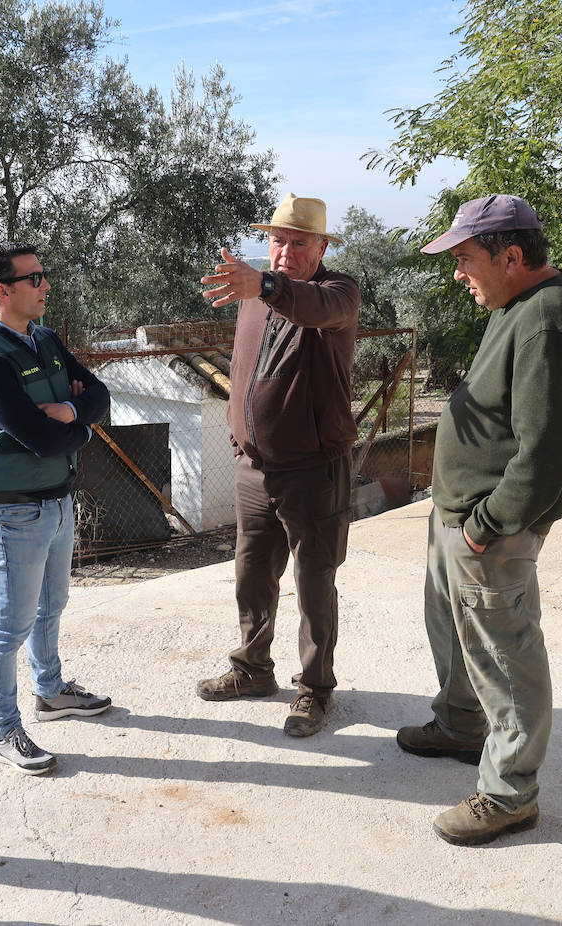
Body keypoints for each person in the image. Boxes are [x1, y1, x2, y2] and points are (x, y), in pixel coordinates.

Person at [399, 194, 562, 846]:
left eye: (466, 259)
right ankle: (464, 725)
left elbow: (543, 455)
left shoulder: (548, 319)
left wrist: (486, 524)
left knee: (505, 652)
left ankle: (510, 793)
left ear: (511, 256)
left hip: (490, 527)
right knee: (458, 628)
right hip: (462, 515)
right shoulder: (518, 304)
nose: (458, 273)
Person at [197, 193, 360, 738]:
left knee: (314, 583)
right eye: (277, 240)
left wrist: (264, 284)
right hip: (255, 467)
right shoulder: (253, 296)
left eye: (297, 241)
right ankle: (252, 669)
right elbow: (244, 367)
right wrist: (238, 432)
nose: (285, 250)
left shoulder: (338, 294)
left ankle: (314, 689)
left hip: (314, 468)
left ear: (320, 247)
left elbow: (310, 307)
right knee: (251, 574)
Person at [0, 242, 113, 775]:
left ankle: (49, 692)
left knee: (53, 605)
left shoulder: (44, 338)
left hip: (57, 500)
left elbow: (100, 394)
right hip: (15, 512)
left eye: (44, 275)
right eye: (35, 278)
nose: (46, 285)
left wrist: (70, 410)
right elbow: (39, 440)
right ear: (4, 291)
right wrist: (80, 428)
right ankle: (5, 728)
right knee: (11, 625)